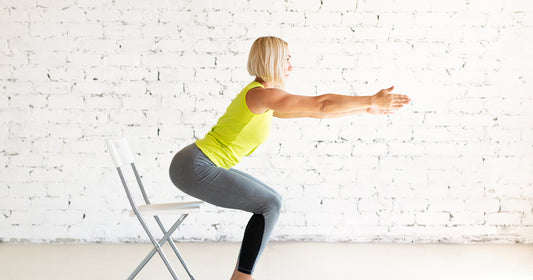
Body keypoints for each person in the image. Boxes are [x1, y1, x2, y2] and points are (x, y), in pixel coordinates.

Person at [169, 36, 411, 280]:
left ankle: (241, 276)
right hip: (195, 166)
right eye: (286, 59)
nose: (290, 66)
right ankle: (242, 278)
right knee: (269, 204)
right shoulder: (260, 95)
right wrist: (370, 98)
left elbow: (317, 113)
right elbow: (321, 104)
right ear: (272, 60)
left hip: (199, 163)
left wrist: (367, 109)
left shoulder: (264, 98)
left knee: (272, 200)